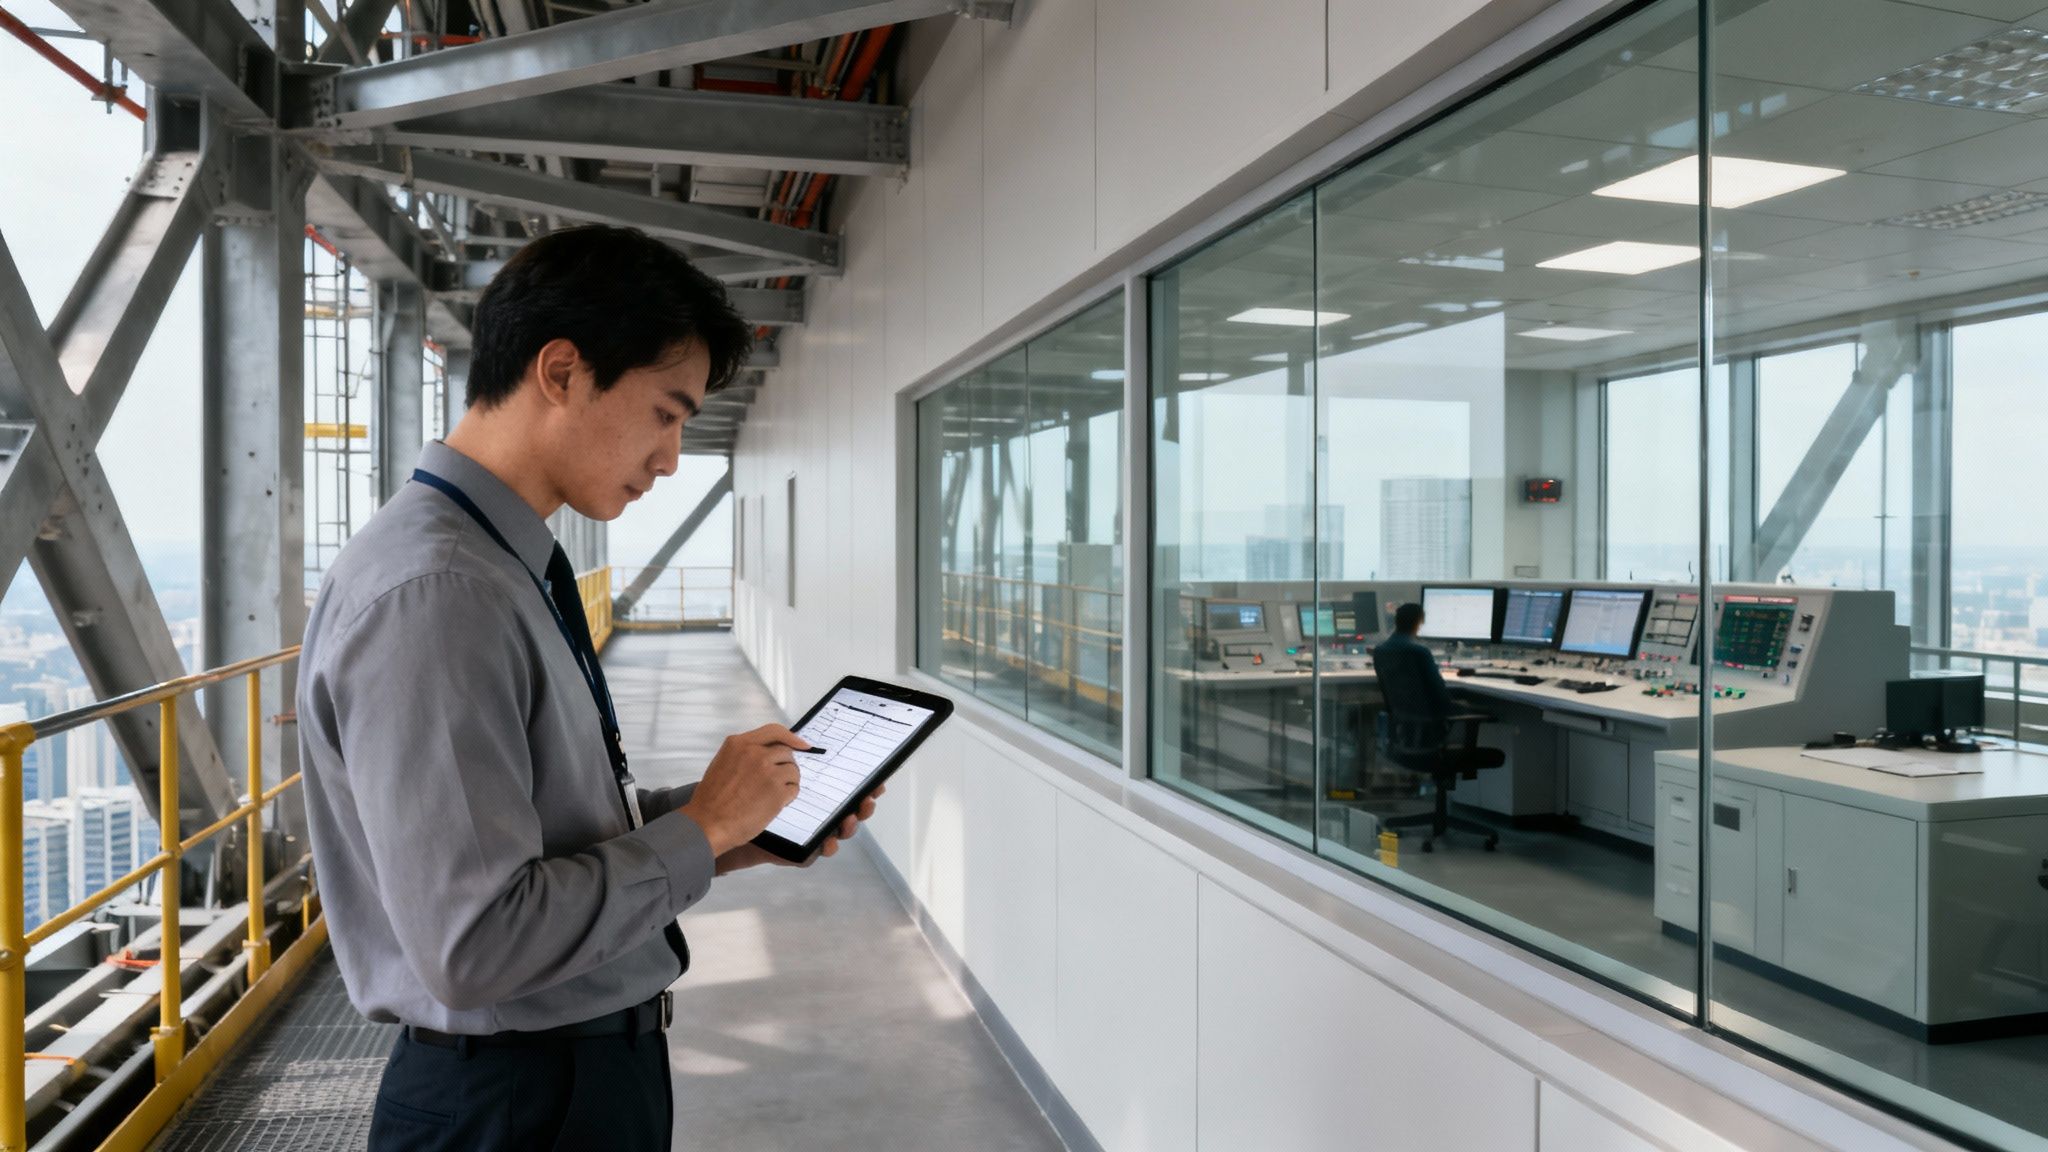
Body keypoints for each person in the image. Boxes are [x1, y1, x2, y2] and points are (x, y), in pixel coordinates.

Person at [296, 224, 873, 1151]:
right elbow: (477, 944)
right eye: (666, 412)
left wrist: (729, 828)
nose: (674, 456)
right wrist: (704, 829)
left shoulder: (498, 564)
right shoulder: (442, 593)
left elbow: (545, 837)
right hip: (523, 1104)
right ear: (560, 372)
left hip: (556, 1084)